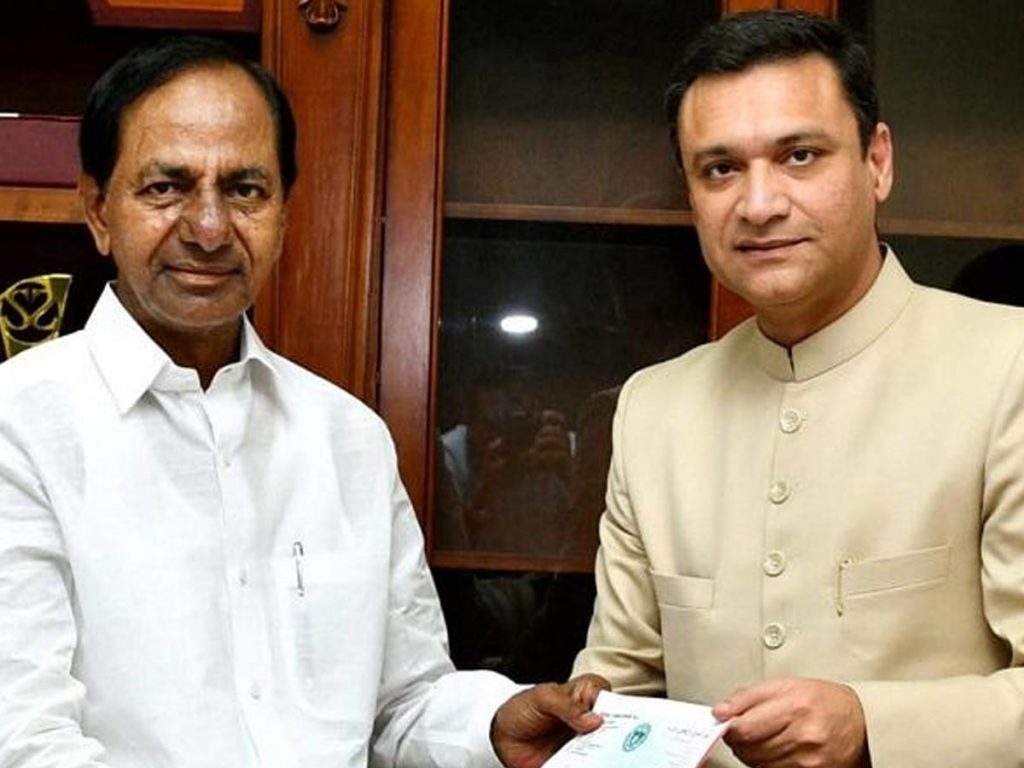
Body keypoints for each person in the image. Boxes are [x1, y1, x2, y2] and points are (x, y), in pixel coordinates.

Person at [0, 35, 606, 768]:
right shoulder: (20, 425)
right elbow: (26, 740)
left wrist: (492, 723)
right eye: (165, 187)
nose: (209, 228)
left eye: (245, 190)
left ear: (284, 212)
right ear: (99, 210)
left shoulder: (347, 437)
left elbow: (402, 702)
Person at [572, 10, 1024, 768]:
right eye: (720, 169)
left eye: (800, 156)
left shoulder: (1008, 366)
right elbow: (620, 689)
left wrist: (872, 724)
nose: (759, 205)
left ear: (877, 162)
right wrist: (581, 716)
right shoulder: (654, 408)